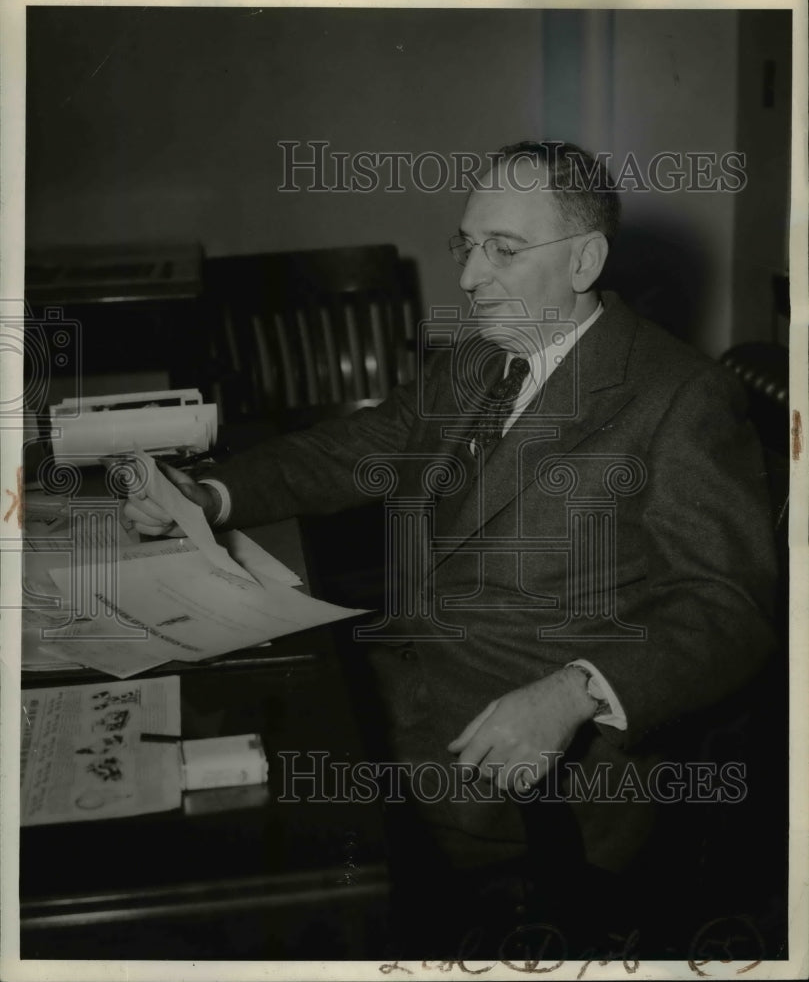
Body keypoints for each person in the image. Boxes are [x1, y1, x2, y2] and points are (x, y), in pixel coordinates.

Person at [125, 141, 777, 956]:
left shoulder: (678, 396)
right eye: (465, 246)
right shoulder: (481, 358)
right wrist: (212, 493)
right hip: (400, 680)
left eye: (503, 251)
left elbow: (732, 604)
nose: (469, 278)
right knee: (180, 737)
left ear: (584, 259)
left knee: (221, 854)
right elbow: (365, 441)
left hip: (531, 763)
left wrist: (576, 690)